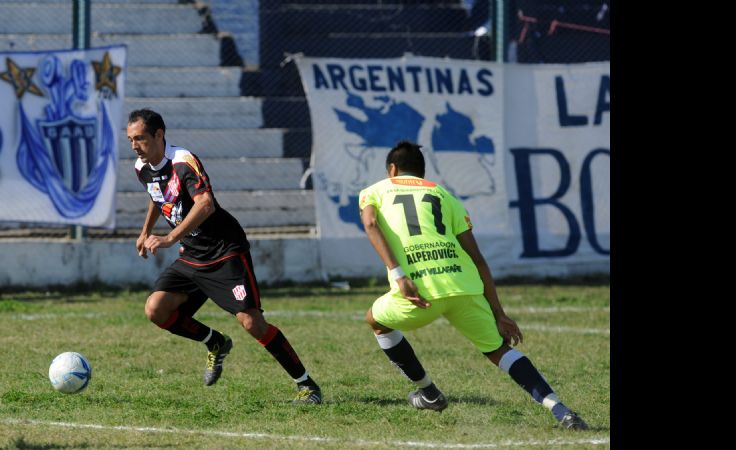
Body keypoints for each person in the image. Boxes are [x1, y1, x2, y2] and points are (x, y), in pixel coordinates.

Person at [358, 140, 588, 429]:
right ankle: (561, 410)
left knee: (375, 321)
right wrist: (499, 312)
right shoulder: (444, 195)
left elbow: (370, 224)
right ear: (421, 171)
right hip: (463, 285)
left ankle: (429, 392)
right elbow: (478, 260)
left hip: (420, 292)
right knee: (499, 352)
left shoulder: (375, 191)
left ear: (392, 169)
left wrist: (399, 274)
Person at [127, 108, 321, 404]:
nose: (134, 145)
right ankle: (215, 342)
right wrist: (145, 231)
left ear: (159, 135)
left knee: (252, 323)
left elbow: (205, 204)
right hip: (192, 255)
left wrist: (168, 237)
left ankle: (307, 385)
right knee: (156, 309)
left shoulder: (183, 162)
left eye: (139, 138)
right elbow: (157, 195)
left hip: (223, 250)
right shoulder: (141, 167)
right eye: (130, 139)